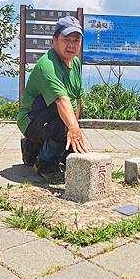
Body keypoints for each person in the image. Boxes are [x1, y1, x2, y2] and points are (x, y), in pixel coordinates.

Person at [17, 16, 90, 180]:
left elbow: (77, 99)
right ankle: (44, 164)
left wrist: (74, 131)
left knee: (71, 150)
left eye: (76, 40)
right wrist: (72, 129)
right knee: (62, 123)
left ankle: (33, 147)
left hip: (51, 117)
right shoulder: (47, 65)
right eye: (66, 40)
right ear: (54, 40)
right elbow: (62, 100)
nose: (71, 45)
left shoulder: (75, 63)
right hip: (31, 119)